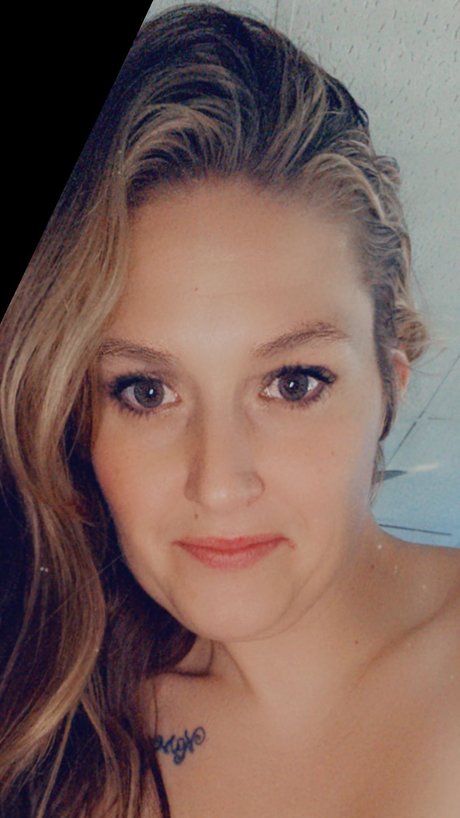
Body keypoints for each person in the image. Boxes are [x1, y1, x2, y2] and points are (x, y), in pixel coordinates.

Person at [1, 4, 459, 817]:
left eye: (293, 383)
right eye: (146, 392)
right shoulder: (58, 730)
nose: (218, 484)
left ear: (390, 384)